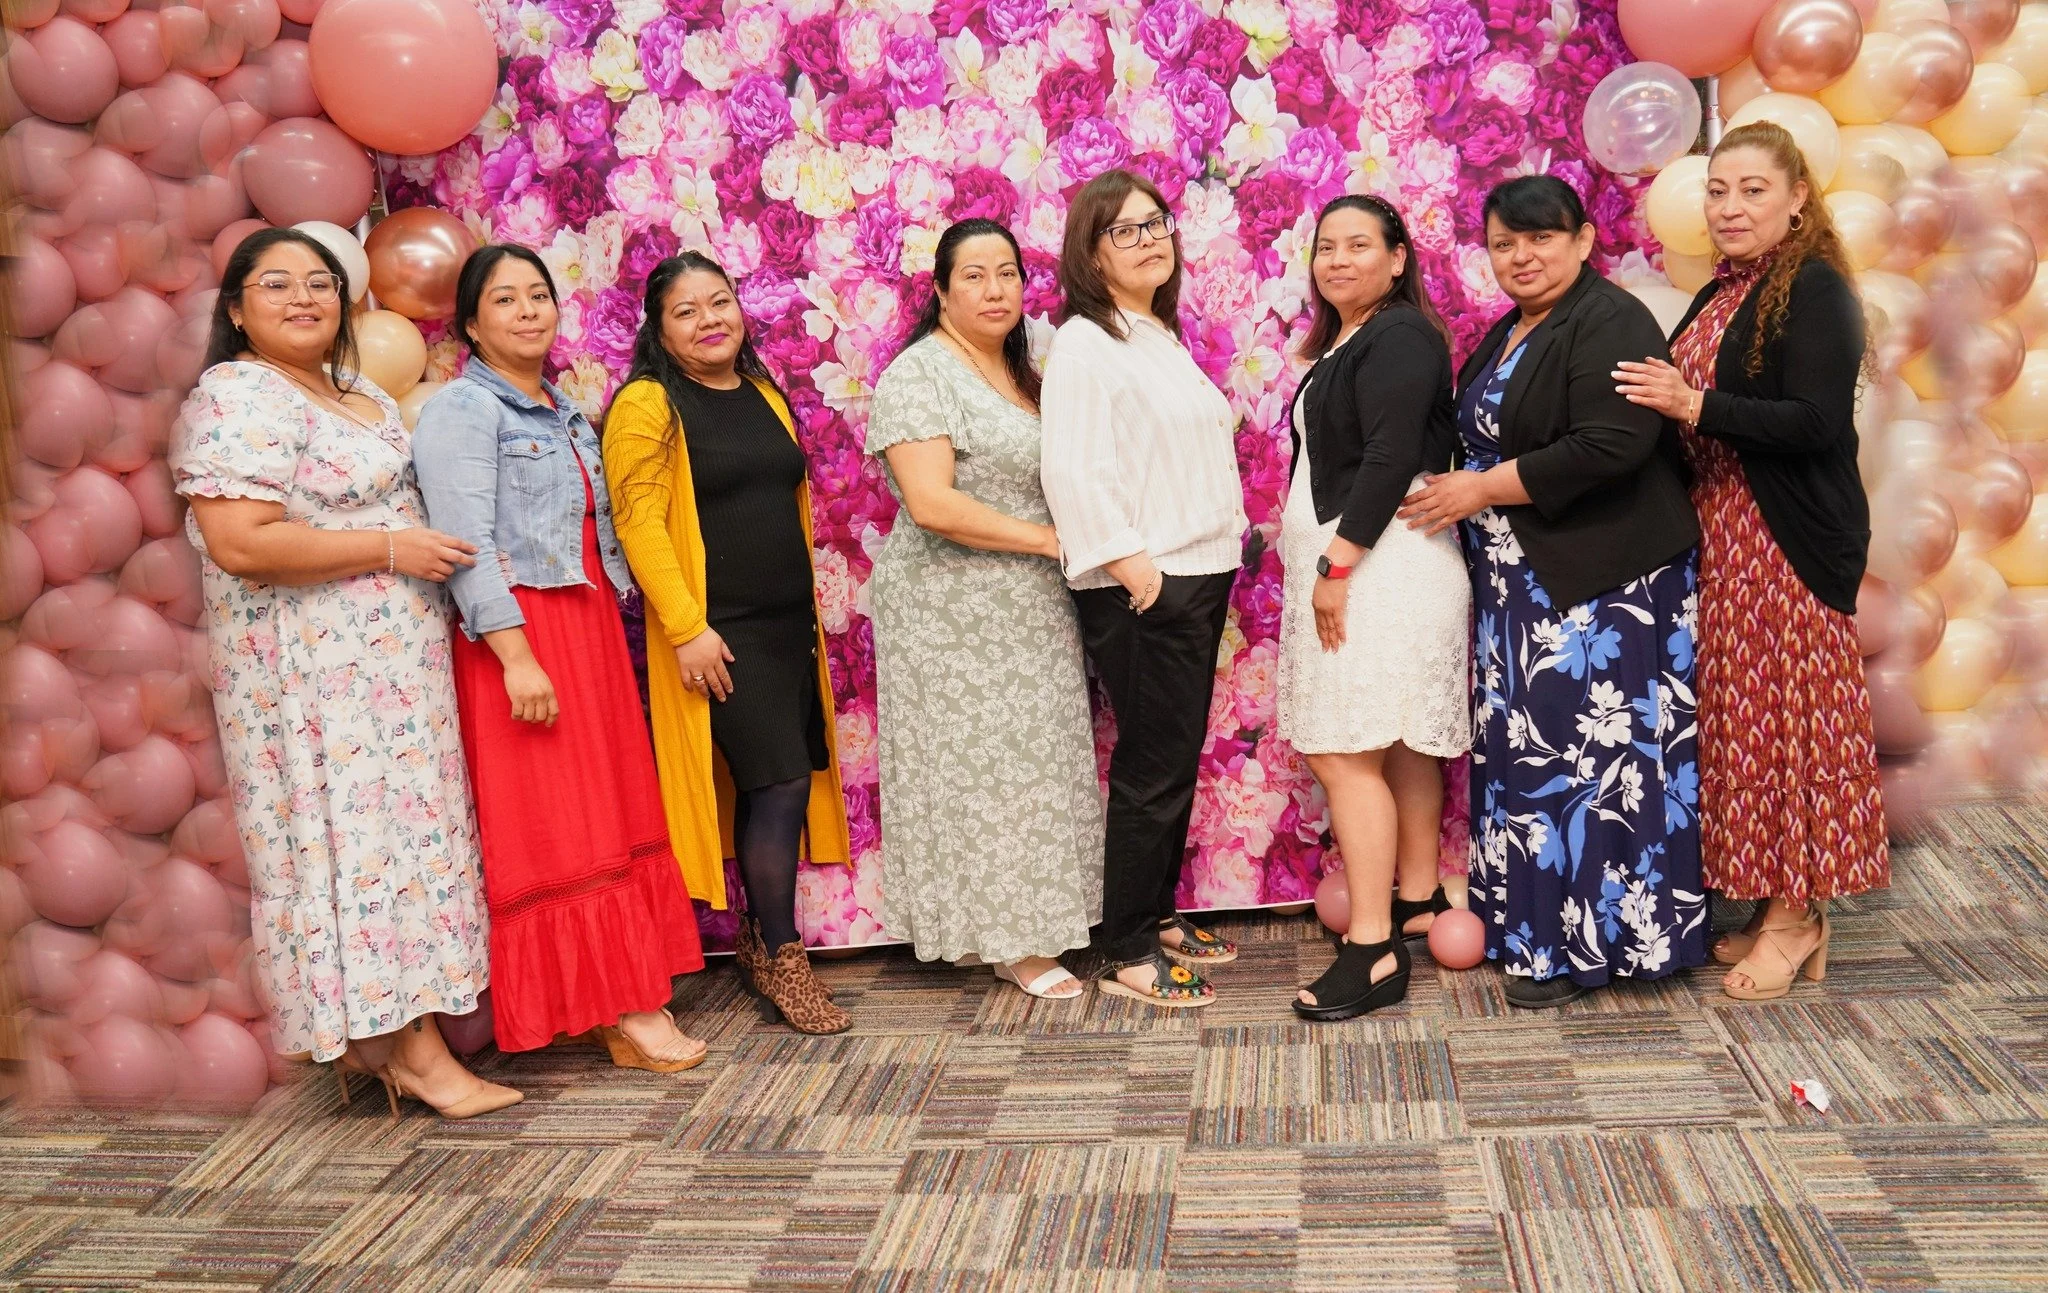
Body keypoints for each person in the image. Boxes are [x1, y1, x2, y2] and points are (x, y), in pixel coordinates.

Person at [171, 227, 519, 1118]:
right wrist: (393, 546)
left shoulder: (353, 389)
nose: (303, 297)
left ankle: (389, 1036)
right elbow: (240, 541)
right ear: (237, 309)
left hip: (394, 682)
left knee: (408, 848)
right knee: (358, 851)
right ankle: (407, 1049)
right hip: (314, 685)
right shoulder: (236, 394)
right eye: (276, 283)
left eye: (321, 283)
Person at [1399, 176, 1706, 1009]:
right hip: (1527, 587)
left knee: (1594, 769)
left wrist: (1482, 488)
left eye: (1540, 238)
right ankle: (1534, 929)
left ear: (1580, 242)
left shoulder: (1612, 319)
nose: (1522, 256)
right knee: (1534, 762)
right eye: (1504, 244)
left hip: (1604, 589)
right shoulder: (1514, 327)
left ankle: (1591, 947)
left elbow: (1612, 442)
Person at [411, 244, 708, 1071]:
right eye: (505, 300)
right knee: (557, 816)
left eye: (539, 294)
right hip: (523, 631)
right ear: (471, 323)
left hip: (584, 620)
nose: (529, 311)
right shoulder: (463, 410)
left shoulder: (562, 406)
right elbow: (465, 545)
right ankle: (620, 1006)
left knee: (607, 805)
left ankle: (622, 993)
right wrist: (515, 656)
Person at [1615, 121, 1886, 1001]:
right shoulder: (1732, 290)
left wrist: (1693, 401)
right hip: (1726, 539)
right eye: (1719, 191)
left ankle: (1799, 915)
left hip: (1788, 540)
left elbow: (1816, 423)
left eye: (1753, 190)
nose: (1730, 207)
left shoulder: (1815, 289)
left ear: (1798, 196)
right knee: (1748, 729)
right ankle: (1775, 903)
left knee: (1796, 728)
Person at [603, 252, 853, 1035]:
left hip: (786, 629)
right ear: (659, 328)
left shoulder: (761, 394)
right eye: (687, 310)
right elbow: (639, 521)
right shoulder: (648, 405)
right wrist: (686, 627)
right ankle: (781, 952)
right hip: (720, 632)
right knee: (776, 782)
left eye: (720, 302)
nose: (710, 319)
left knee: (773, 783)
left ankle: (755, 933)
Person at [865, 219, 1103, 999]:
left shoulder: (1026, 364)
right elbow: (932, 503)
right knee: (981, 768)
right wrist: (1051, 540)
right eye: (974, 275)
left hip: (1029, 596)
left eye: (1007, 273)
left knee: (1033, 759)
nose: (996, 289)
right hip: (951, 608)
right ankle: (1016, 942)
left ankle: (1018, 923)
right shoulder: (919, 374)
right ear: (939, 290)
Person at [1040, 169, 1249, 1010]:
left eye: (1156, 223)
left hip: (1197, 570)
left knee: (1173, 758)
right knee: (1151, 768)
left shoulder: (1154, 334)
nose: (1150, 238)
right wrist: (1140, 575)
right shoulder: (1086, 343)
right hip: (1146, 583)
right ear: (1090, 252)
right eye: (1124, 230)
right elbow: (1074, 469)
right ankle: (1126, 948)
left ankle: (1157, 912)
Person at [1279, 196, 1470, 1023]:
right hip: (1382, 565)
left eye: (1360, 244)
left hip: (1378, 570)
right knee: (1394, 745)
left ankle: (1372, 947)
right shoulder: (1354, 338)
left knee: (1345, 746)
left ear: (1399, 259)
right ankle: (1419, 901)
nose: (1339, 259)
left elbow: (1391, 453)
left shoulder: (1397, 332)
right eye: (1327, 247)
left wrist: (1336, 562)